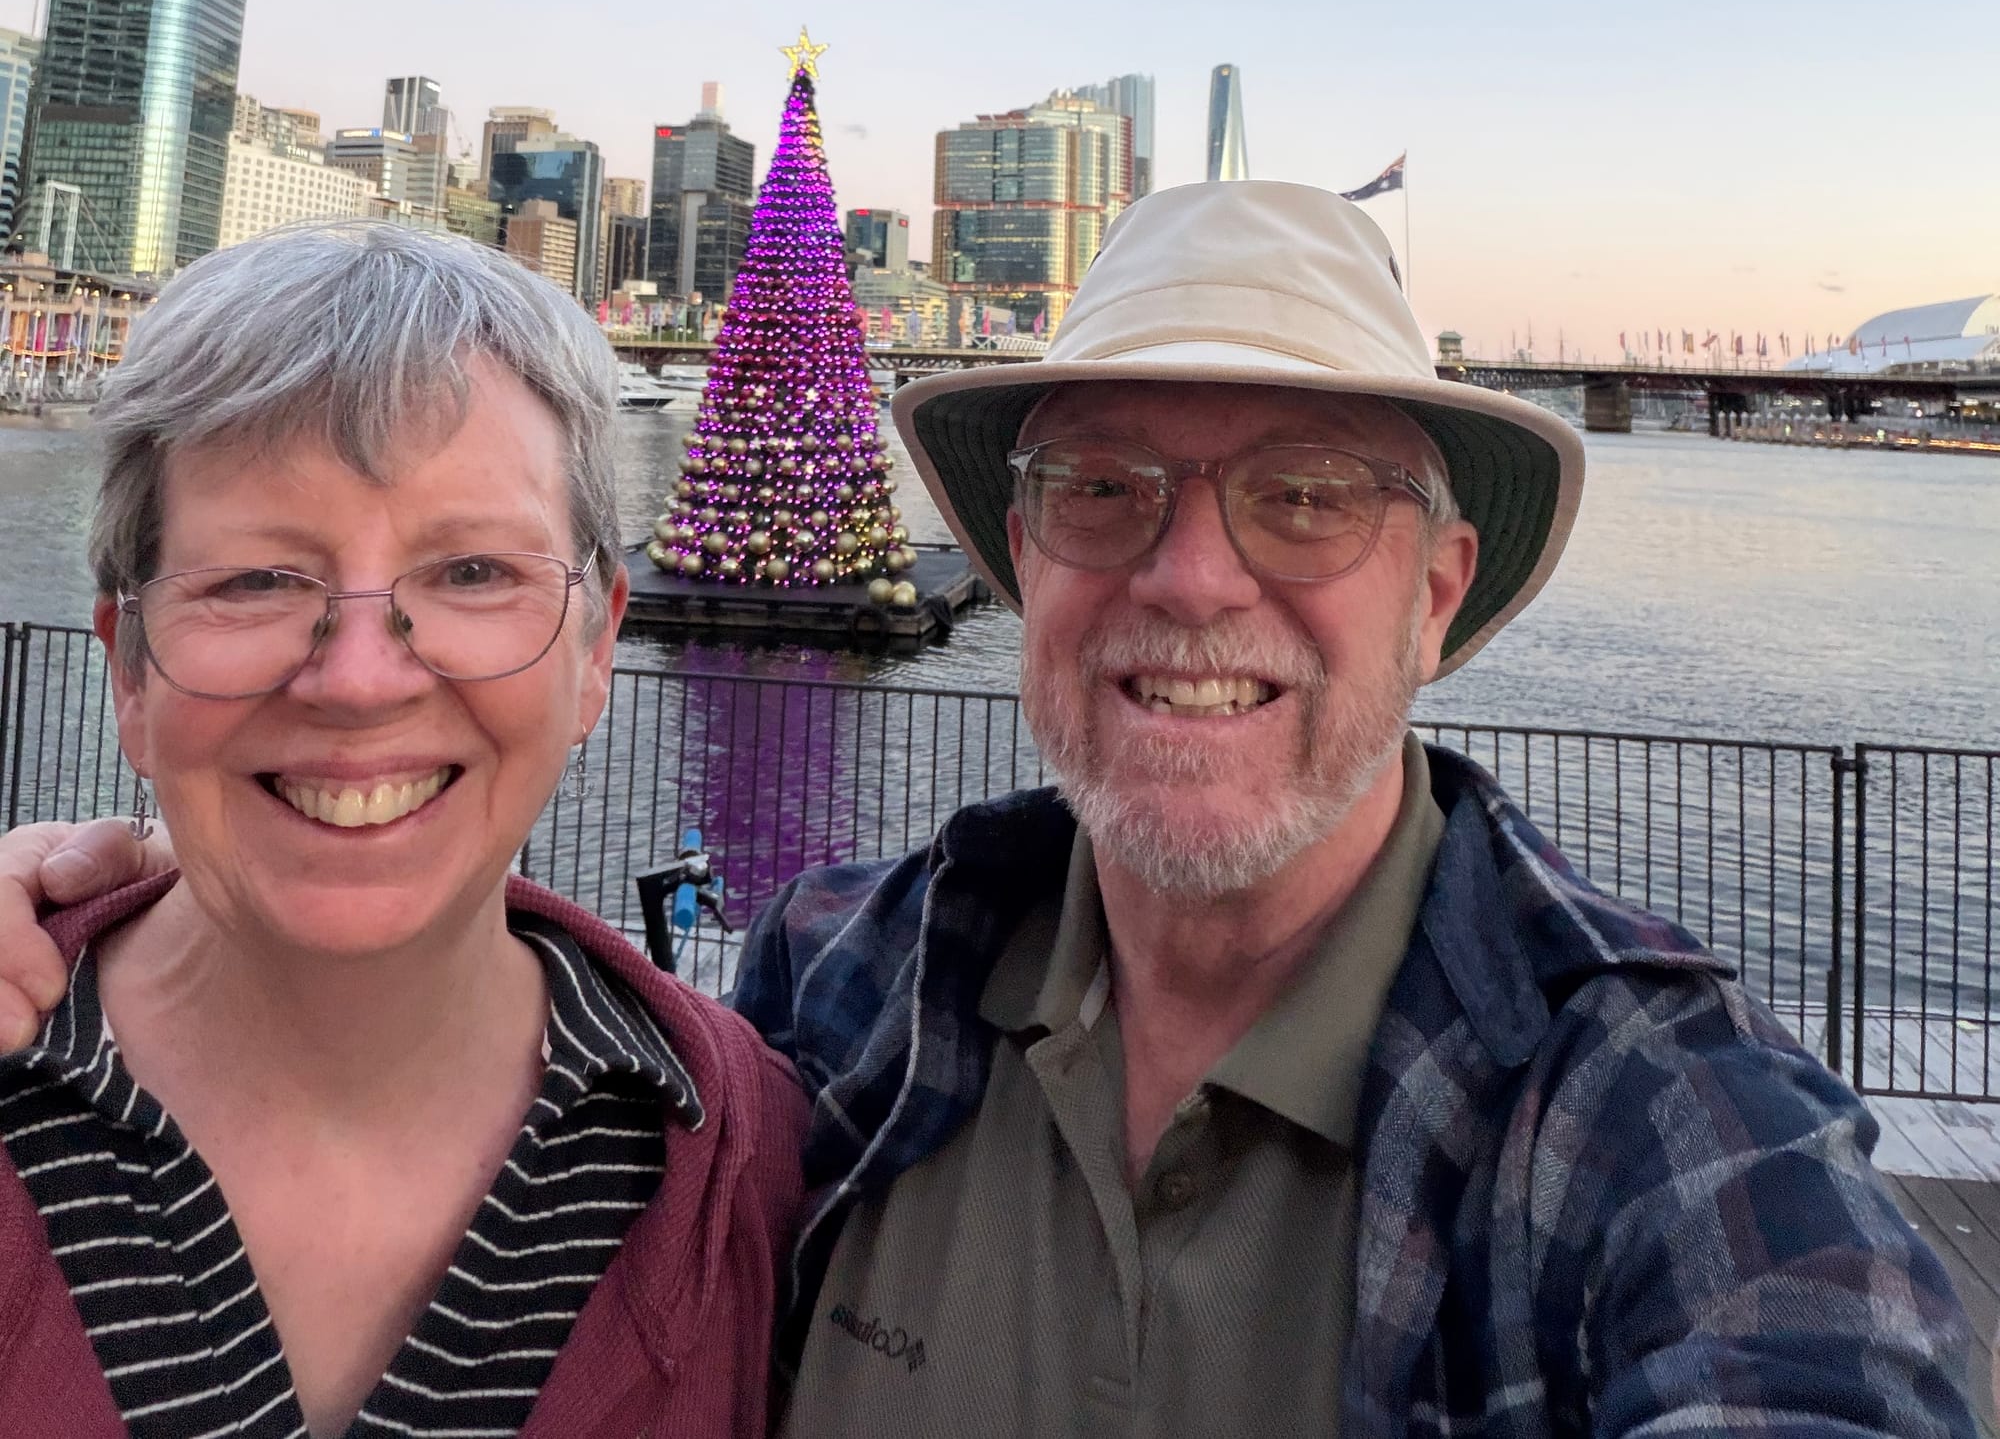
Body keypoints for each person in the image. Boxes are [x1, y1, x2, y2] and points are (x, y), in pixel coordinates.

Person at [0, 184, 1977, 1437]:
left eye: (1305, 493)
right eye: (1104, 485)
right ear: (1026, 555)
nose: (1190, 576)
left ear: (1439, 588)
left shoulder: (1659, 1125)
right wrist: (170, 883)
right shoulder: (839, 1008)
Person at [0, 224, 802, 1438]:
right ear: (130, 673)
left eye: (472, 571)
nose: (362, 681)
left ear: (594, 651)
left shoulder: (759, 1165)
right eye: (256, 580)